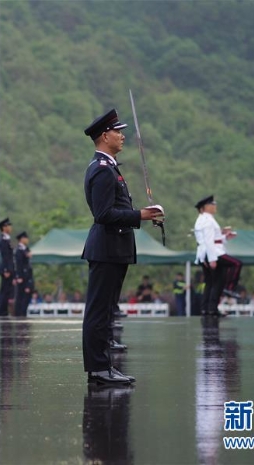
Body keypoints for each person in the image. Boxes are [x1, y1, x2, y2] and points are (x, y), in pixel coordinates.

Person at [81, 108, 164, 385]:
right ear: (105, 136)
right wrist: (139, 214)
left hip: (113, 248)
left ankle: (104, 367)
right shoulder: (103, 170)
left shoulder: (109, 167)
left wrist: (141, 215)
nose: (122, 136)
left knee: (105, 312)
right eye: (118, 131)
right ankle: (99, 369)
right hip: (106, 248)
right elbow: (103, 214)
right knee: (99, 311)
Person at [193, 195, 241, 317]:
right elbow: (209, 241)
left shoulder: (204, 219)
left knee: (211, 282)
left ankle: (209, 309)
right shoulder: (208, 220)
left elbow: (214, 239)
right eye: (212, 204)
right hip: (213, 252)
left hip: (209, 252)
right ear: (205, 207)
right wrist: (212, 259)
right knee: (236, 264)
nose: (215, 206)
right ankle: (229, 288)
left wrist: (224, 237)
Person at [0, 217, 14, 317]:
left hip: (9, 269)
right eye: (9, 226)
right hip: (6, 269)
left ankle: (4, 311)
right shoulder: (3, 240)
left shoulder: (7, 239)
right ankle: (1, 311)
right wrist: (7, 269)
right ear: (4, 227)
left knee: (7, 291)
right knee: (4, 291)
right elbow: (5, 256)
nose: (10, 228)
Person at [14, 231, 33, 317]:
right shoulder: (19, 250)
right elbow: (19, 264)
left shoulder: (26, 249)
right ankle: (18, 314)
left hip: (27, 275)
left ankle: (23, 313)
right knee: (20, 296)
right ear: (21, 239)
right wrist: (19, 276)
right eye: (25, 238)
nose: (27, 240)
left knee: (26, 297)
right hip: (22, 276)